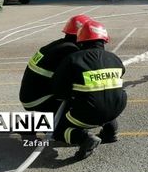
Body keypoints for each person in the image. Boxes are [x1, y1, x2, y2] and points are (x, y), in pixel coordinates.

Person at [52, 20, 127, 160]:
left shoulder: (72, 59)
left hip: (89, 113)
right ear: (104, 40)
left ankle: (85, 139)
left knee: (57, 130)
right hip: (117, 108)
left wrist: (73, 96)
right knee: (105, 100)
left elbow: (59, 91)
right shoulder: (115, 58)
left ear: (80, 40)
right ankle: (111, 132)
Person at [19, 14, 93, 113]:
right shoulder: (69, 50)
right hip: (39, 100)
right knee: (81, 94)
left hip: (30, 97)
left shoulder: (59, 45)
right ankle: (64, 125)